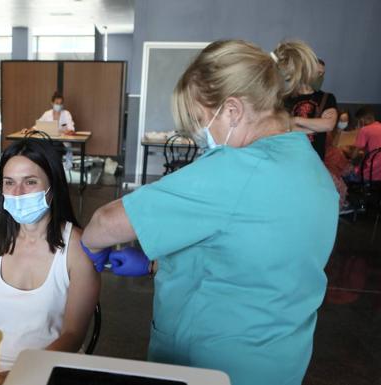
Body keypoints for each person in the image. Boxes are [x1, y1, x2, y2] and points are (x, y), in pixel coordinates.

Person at [80, 40, 338, 385]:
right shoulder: (310, 168)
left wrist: (92, 253)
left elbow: (105, 222)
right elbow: (251, 252)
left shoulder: (237, 168)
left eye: (202, 121)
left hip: (211, 366)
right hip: (279, 361)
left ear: (232, 110)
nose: (202, 137)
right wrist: (157, 264)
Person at [0, 139, 100, 381]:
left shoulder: (76, 248)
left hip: (51, 365)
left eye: (30, 182)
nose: (17, 193)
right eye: (9, 183)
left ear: (53, 186)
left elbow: (73, 335)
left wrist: (18, 374)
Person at [274, 42, 338, 160]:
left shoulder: (327, 97)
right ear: (306, 72)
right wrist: (316, 126)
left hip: (315, 158)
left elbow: (328, 125)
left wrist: (295, 120)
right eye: (317, 73)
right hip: (289, 156)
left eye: (322, 74)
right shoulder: (286, 97)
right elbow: (282, 127)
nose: (320, 77)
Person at [344, 106, 381, 182]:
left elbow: (353, 155)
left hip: (367, 176)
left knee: (342, 174)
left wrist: (344, 150)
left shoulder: (365, 130)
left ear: (361, 120)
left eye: (357, 121)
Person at [37, 91, 76, 169]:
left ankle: (55, 170)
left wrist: (65, 131)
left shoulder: (66, 114)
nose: (59, 105)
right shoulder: (47, 114)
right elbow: (38, 125)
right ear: (52, 103)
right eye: (57, 103)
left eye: (61, 103)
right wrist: (29, 129)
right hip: (49, 142)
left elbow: (71, 129)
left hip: (62, 143)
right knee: (43, 149)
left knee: (54, 151)